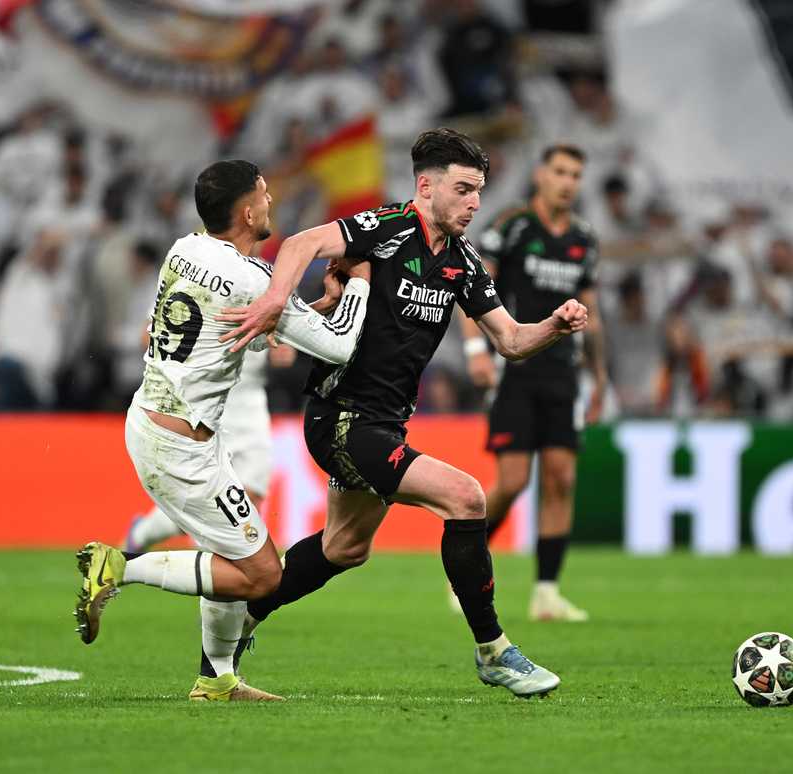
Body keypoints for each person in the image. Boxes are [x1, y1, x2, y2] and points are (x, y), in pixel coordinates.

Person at [219, 128, 589, 698]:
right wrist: (274, 302)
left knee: (345, 547)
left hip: (384, 424)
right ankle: (493, 650)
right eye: (463, 189)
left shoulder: (462, 262)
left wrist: (554, 326)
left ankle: (239, 621)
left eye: (479, 191)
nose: (474, 203)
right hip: (342, 418)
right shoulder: (386, 228)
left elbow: (511, 340)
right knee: (466, 497)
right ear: (426, 186)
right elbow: (299, 245)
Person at [73, 160, 372, 703]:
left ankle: (215, 679)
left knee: (227, 553)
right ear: (247, 213)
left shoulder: (183, 249)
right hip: (179, 446)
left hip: (161, 423)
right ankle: (120, 567)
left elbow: (239, 330)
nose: (270, 201)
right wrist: (359, 285)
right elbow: (339, 346)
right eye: (264, 193)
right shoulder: (252, 278)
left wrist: (311, 307)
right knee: (262, 576)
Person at [460, 144, 606, 622]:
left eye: (575, 174)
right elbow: (471, 288)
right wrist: (476, 350)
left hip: (564, 373)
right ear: (541, 174)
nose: (568, 182)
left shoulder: (584, 239)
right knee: (514, 481)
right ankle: (464, 565)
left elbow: (592, 312)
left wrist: (600, 377)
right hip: (516, 368)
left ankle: (547, 593)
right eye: (560, 171)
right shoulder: (512, 227)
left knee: (562, 479)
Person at [122, 348, 274, 552]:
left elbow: (283, 342)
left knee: (251, 493)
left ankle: (144, 533)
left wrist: (279, 352)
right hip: (206, 401)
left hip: (251, 402)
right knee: (200, 501)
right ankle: (143, 534)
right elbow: (152, 337)